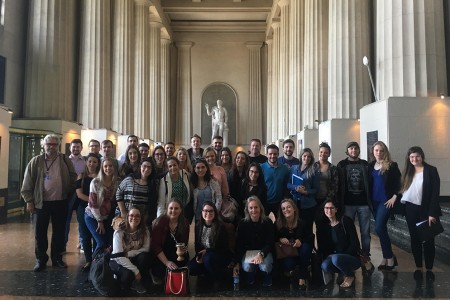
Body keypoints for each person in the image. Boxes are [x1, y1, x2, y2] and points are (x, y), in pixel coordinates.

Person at [21, 134, 77, 272]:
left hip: (60, 202)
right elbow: (27, 182)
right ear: (44, 145)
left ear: (58, 146)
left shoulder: (64, 159)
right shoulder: (36, 161)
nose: (51, 147)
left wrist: (69, 192)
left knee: (59, 232)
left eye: (54, 144)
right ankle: (41, 259)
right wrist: (29, 201)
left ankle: (57, 258)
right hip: (41, 204)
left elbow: (73, 176)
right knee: (40, 233)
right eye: (49, 144)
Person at [400, 146, 442, 282]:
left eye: (417, 156)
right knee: (415, 238)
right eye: (411, 157)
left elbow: (435, 194)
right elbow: (403, 189)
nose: (414, 159)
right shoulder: (408, 171)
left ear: (422, 156)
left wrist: (432, 213)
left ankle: (429, 268)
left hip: (426, 209)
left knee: (429, 239)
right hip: (410, 209)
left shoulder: (431, 170)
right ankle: (418, 267)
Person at [336, 141, 373, 272]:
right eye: (351, 148)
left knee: (365, 233)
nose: (353, 150)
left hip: (363, 204)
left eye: (356, 148)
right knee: (347, 231)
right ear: (347, 150)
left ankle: (365, 257)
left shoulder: (365, 164)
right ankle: (349, 255)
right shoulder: (342, 164)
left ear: (358, 150)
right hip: (347, 203)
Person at [368, 141, 401, 271]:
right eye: (376, 150)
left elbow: (400, 182)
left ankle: (390, 257)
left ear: (385, 151)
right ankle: (385, 258)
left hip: (386, 202)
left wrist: (395, 196)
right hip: (374, 202)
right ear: (373, 152)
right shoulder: (370, 166)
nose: (379, 153)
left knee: (379, 227)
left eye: (381, 150)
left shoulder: (392, 165)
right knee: (381, 230)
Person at [316, 199, 361, 288]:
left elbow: (354, 243)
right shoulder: (323, 225)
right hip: (334, 257)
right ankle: (342, 272)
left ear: (336, 209)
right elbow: (322, 247)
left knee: (336, 259)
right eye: (326, 208)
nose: (329, 211)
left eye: (332, 208)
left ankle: (350, 275)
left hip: (351, 257)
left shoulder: (345, 221)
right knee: (325, 266)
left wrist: (341, 256)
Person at [233, 196, 275, 287]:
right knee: (246, 267)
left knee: (265, 266)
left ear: (260, 208)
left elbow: (270, 242)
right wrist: (236, 262)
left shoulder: (268, 222)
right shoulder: (243, 223)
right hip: (249, 253)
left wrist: (261, 254)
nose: (253, 210)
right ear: (247, 209)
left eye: (256, 207)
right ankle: (251, 273)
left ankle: (267, 275)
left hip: (264, 252)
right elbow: (239, 244)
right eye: (251, 208)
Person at [109, 207, 150, 294]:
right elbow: (119, 256)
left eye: (137, 216)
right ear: (127, 217)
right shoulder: (119, 232)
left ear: (141, 218)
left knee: (144, 256)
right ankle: (120, 278)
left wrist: (130, 253)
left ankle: (137, 282)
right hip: (117, 260)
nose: (134, 218)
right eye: (131, 215)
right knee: (127, 276)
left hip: (131, 257)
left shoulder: (145, 231)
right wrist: (136, 271)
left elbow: (146, 248)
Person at [188, 201, 232, 279]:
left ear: (215, 212)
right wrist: (199, 257)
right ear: (202, 212)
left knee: (208, 259)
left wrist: (207, 251)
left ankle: (220, 276)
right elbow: (197, 245)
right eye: (205, 211)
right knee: (191, 268)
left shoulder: (220, 227)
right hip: (205, 255)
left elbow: (224, 249)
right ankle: (208, 272)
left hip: (219, 255)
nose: (208, 213)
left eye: (211, 211)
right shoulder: (198, 226)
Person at [275, 199, 313, 289]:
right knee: (289, 264)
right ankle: (292, 270)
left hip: (301, 250)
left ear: (294, 209)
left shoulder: (302, 222)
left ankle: (302, 277)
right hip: (287, 253)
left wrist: (301, 240)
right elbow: (272, 238)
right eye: (283, 208)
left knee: (306, 248)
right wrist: (280, 238)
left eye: (288, 207)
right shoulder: (277, 224)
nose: (286, 210)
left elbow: (310, 237)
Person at [151, 199, 190, 283]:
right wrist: (167, 262)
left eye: (176, 208)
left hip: (175, 253)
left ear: (181, 210)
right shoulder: (160, 222)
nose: (173, 211)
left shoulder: (185, 223)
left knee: (183, 265)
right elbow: (155, 246)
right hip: (161, 254)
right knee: (160, 270)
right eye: (171, 208)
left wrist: (182, 253)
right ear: (167, 209)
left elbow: (184, 243)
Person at [84, 158, 118, 252]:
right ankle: (95, 266)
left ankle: (103, 265)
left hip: (107, 217)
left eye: (110, 166)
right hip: (92, 216)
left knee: (109, 243)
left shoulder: (116, 182)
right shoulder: (95, 182)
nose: (108, 168)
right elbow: (93, 203)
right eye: (105, 166)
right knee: (101, 242)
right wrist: (99, 221)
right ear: (102, 168)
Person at [75, 153, 101, 272]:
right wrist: (92, 202)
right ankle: (88, 260)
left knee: (96, 235)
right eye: (90, 161)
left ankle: (96, 259)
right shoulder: (81, 176)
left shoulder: (100, 176)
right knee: (85, 235)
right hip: (83, 208)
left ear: (98, 163)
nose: (92, 164)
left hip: (97, 209)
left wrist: (95, 204)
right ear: (86, 162)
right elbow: (79, 194)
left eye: (94, 161)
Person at [116, 157, 158, 226]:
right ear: (140, 167)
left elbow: (152, 204)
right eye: (144, 166)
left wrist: (144, 220)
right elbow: (118, 193)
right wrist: (123, 211)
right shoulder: (130, 179)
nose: (146, 169)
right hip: (125, 215)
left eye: (149, 167)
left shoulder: (153, 185)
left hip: (140, 219)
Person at [288, 148, 319, 237]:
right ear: (301, 156)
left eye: (309, 156)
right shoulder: (293, 168)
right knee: (296, 228)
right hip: (295, 203)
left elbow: (316, 189)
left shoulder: (314, 170)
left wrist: (306, 192)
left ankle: (308, 248)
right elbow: (288, 184)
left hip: (308, 205)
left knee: (307, 229)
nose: (306, 158)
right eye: (304, 156)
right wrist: (295, 187)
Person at [66, 138, 85, 252]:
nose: (76, 148)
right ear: (70, 148)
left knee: (81, 219)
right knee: (66, 220)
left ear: (81, 148)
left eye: (78, 147)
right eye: (74, 147)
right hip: (68, 193)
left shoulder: (86, 161)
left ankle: (82, 243)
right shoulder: (64, 161)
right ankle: (63, 245)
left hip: (81, 193)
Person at [261, 144, 289, 216]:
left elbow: (287, 185)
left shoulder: (284, 168)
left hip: (279, 202)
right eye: (270, 154)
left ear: (278, 154)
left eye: (275, 154)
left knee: (280, 224)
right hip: (264, 202)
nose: (273, 156)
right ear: (266, 154)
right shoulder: (261, 168)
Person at [313, 142, 339, 211]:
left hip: (327, 201)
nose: (323, 154)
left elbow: (335, 187)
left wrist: (327, 200)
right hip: (313, 199)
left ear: (329, 154)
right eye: (321, 152)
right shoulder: (313, 166)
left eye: (325, 152)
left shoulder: (333, 168)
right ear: (318, 153)